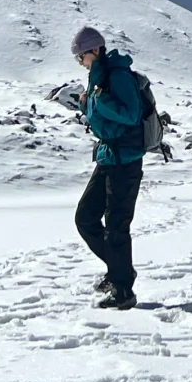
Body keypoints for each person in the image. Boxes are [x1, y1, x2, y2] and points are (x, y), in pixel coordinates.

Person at [71, 26, 145, 311]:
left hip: (125, 159)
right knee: (85, 218)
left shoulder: (118, 75)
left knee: (116, 226)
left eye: (81, 56)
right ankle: (119, 270)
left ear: (95, 50)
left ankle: (123, 290)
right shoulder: (98, 76)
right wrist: (86, 105)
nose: (80, 62)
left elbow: (131, 114)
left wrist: (100, 101)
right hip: (107, 157)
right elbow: (104, 117)